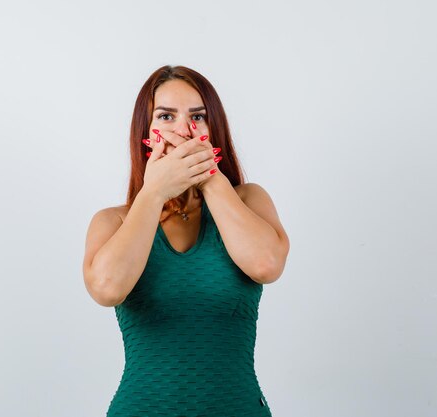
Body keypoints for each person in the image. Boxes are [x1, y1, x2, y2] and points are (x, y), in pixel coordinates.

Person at [82, 65, 290, 416]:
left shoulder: (248, 200)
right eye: (166, 116)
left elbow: (266, 265)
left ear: (214, 130)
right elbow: (106, 288)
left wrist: (210, 179)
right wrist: (154, 191)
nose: (184, 130)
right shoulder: (112, 221)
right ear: (145, 134)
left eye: (198, 117)